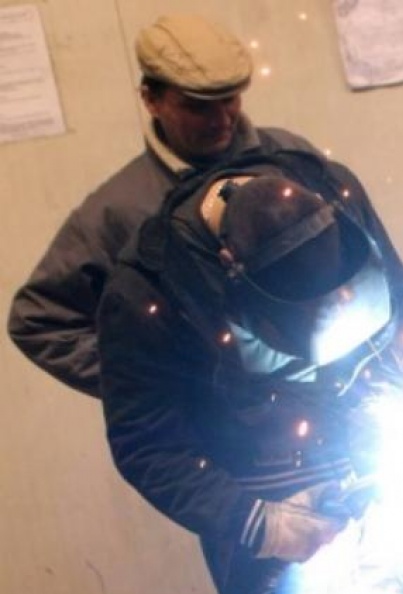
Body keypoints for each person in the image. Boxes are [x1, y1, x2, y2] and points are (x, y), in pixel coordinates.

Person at [96, 154, 403, 594]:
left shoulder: (336, 192)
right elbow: (146, 444)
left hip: (375, 486)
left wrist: (398, 398)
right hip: (275, 511)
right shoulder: (147, 292)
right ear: (235, 274)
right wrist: (255, 522)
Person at [8, 14, 322, 397]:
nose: (222, 119)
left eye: (229, 99)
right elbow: (37, 322)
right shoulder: (119, 211)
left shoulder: (292, 159)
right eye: (198, 107)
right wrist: (155, 381)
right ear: (150, 100)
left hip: (329, 397)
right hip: (217, 426)